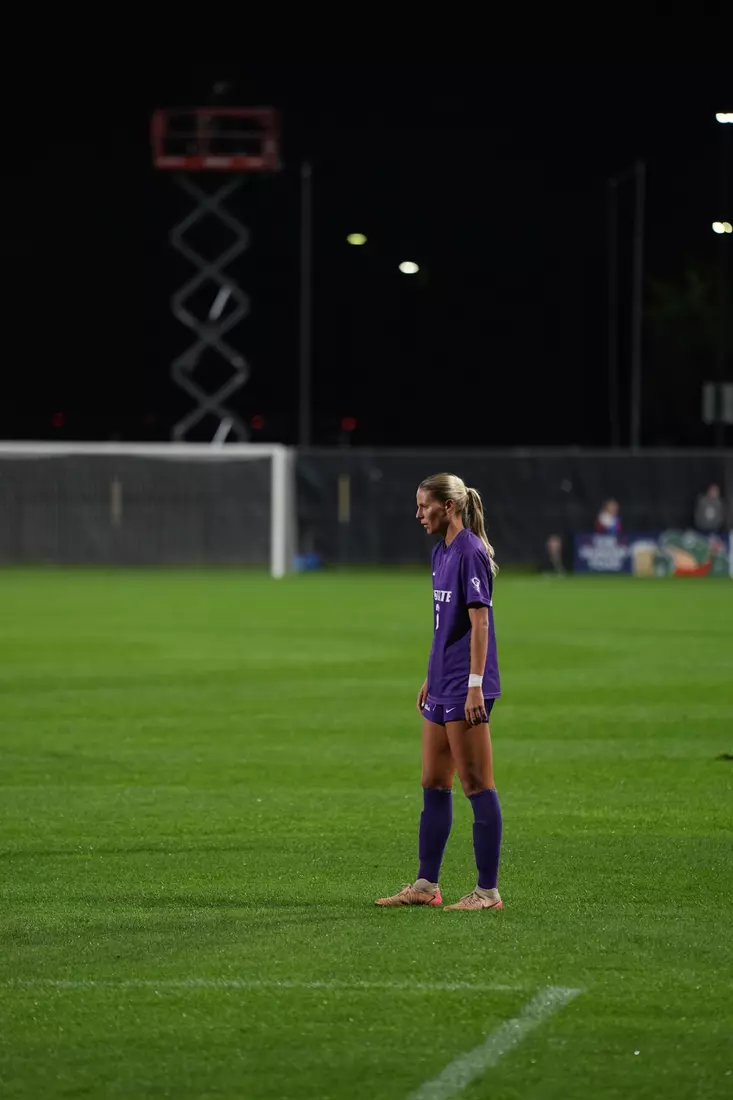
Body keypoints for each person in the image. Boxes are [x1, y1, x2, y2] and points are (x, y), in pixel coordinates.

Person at [375, 473, 503, 912]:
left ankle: (487, 892)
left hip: (467, 685)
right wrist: (431, 675)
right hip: (442, 681)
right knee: (433, 780)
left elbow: (480, 623)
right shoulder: (440, 553)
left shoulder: (469, 551)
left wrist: (474, 685)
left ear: (448, 507)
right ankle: (426, 885)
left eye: (424, 506)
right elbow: (443, 624)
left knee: (476, 784)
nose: (418, 514)